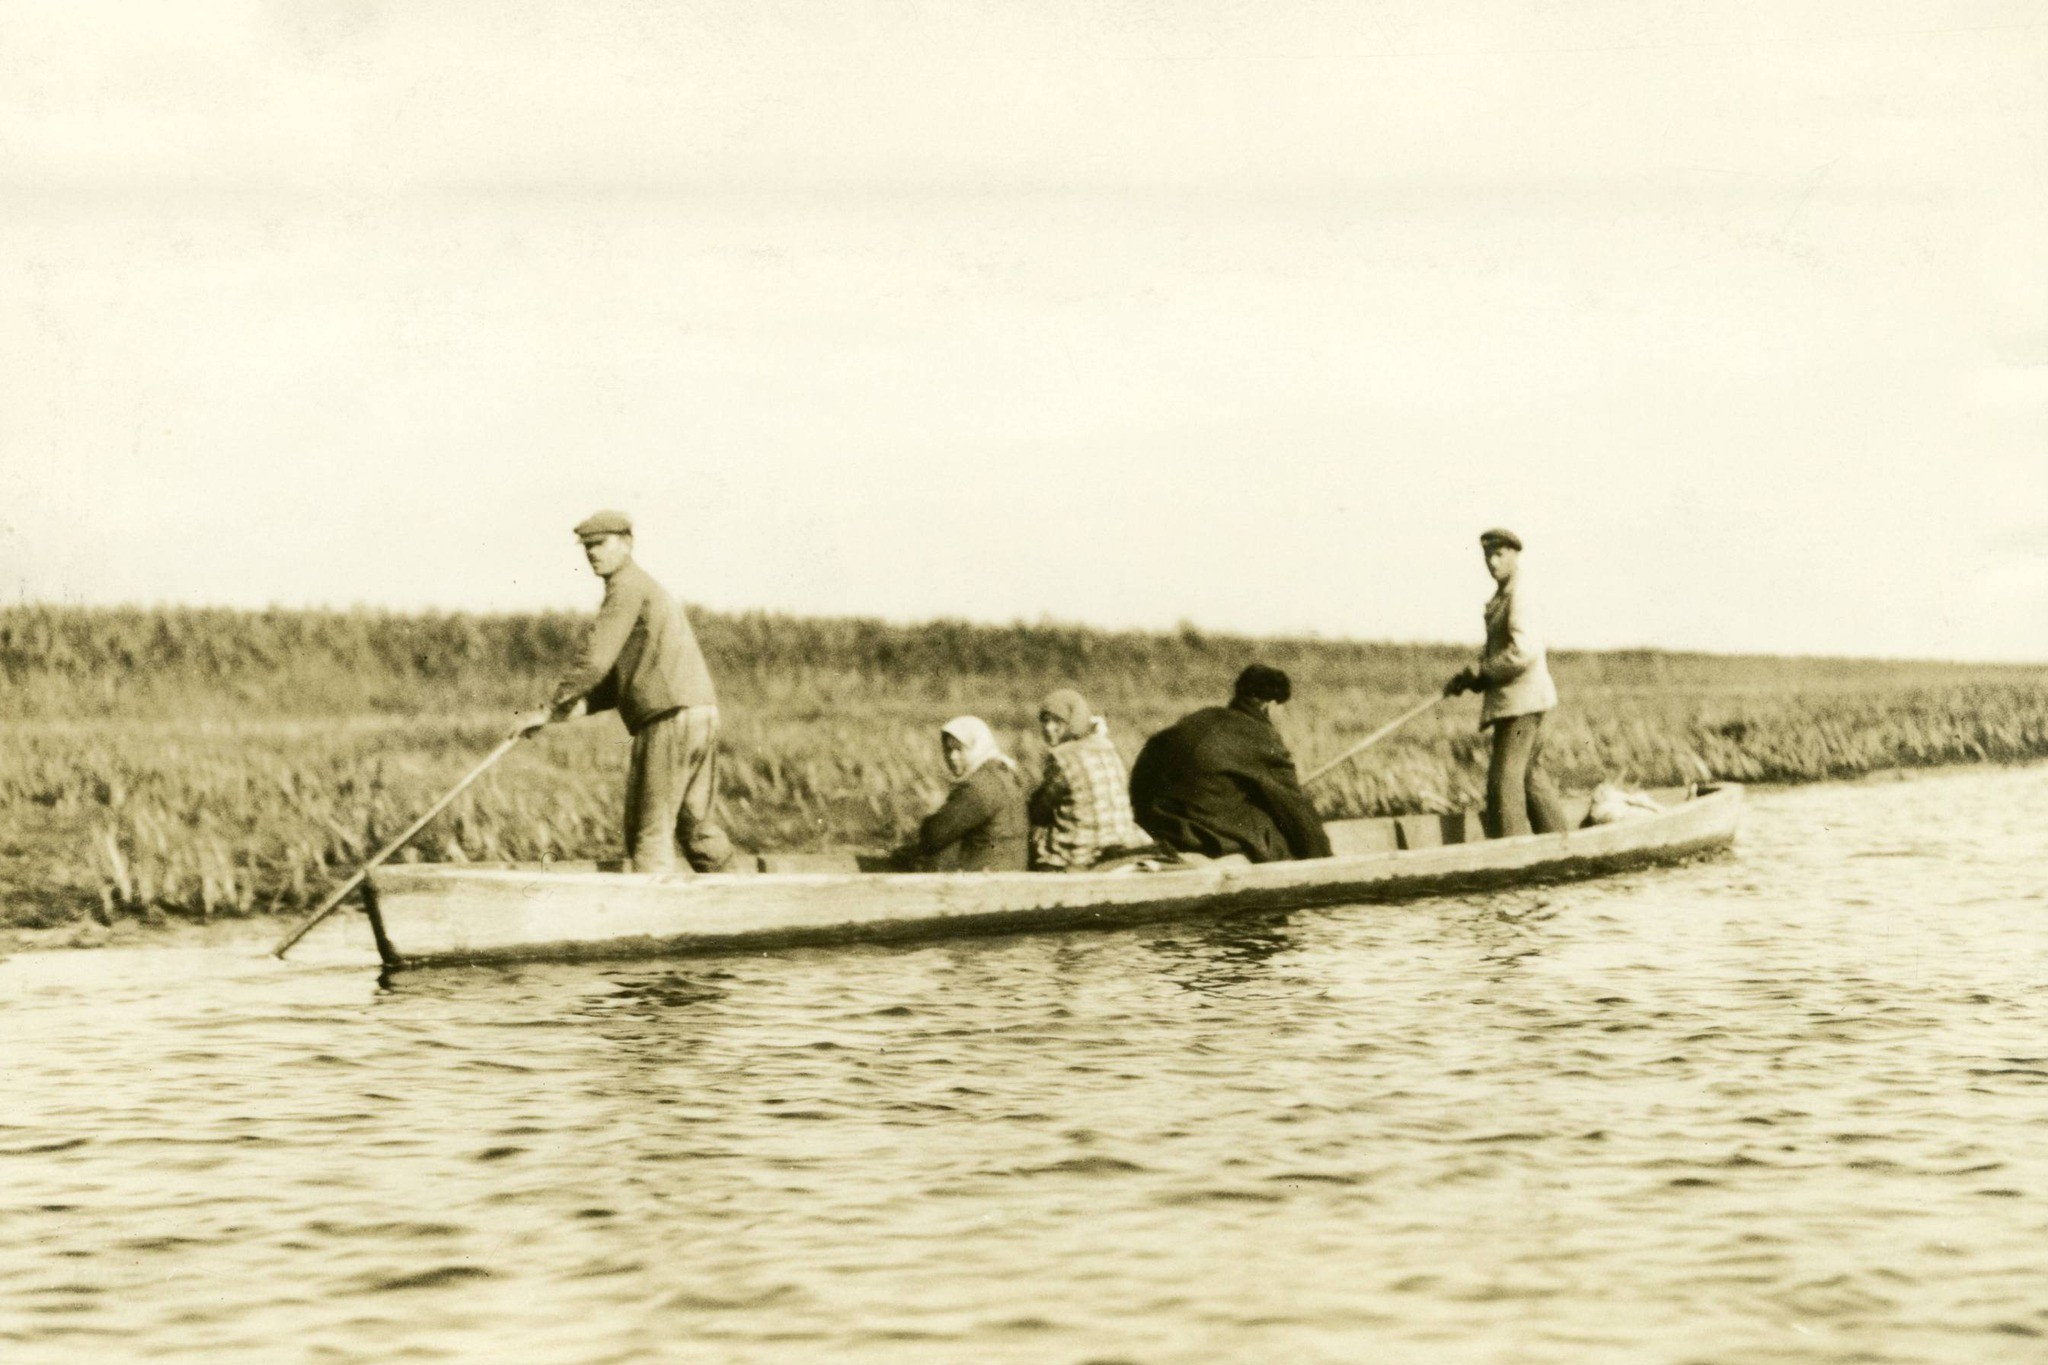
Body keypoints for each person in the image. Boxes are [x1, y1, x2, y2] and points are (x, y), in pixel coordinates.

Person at [509, 510, 731, 873]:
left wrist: (550, 704)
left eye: (600, 544)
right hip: (699, 713)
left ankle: (653, 922)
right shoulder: (642, 587)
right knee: (697, 828)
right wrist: (552, 716)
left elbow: (595, 661)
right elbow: (613, 686)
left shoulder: (626, 587)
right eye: (587, 547)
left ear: (627, 543)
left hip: (668, 719)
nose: (593, 554)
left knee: (648, 831)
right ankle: (735, 903)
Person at [1127, 664, 1332, 863]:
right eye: (1283, 710)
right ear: (1269, 706)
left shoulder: (1200, 718)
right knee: (1277, 829)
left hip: (1157, 825)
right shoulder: (1260, 737)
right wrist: (1324, 861)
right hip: (1198, 836)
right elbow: (1295, 809)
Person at [1443, 527, 1569, 839]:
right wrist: (1471, 678)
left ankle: (1512, 854)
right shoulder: (1503, 595)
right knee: (1528, 776)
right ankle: (1561, 843)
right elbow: (1501, 650)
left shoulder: (1521, 594)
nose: (1492, 562)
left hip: (1522, 703)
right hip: (1519, 701)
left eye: (1499, 554)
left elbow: (1524, 651)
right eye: (1488, 556)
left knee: (1503, 782)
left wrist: (1484, 673)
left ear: (1514, 555)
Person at [1027, 688, 1148, 871]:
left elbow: (1040, 810)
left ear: (1073, 722)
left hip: (1083, 849)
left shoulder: (1062, 756)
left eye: (1058, 721)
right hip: (1120, 839)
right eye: (1045, 720)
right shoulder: (1106, 746)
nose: (1048, 728)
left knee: (1034, 837)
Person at [895, 716, 1029, 871]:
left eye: (959, 749)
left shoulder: (978, 786)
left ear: (978, 747)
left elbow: (932, 836)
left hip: (988, 875)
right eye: (948, 749)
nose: (952, 757)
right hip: (1009, 867)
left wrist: (933, 808)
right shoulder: (1003, 772)